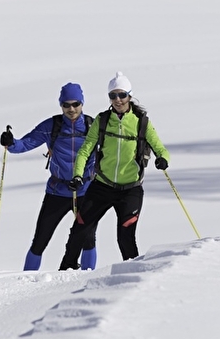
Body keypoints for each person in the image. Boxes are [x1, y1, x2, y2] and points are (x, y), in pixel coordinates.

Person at [64, 72, 171, 264]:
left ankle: (133, 278)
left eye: (122, 95)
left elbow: (159, 147)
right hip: (102, 186)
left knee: (125, 237)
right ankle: (64, 272)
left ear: (130, 95)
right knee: (79, 230)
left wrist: (162, 158)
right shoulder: (103, 120)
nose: (118, 100)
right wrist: (78, 175)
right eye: (113, 96)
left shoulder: (141, 122)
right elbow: (85, 150)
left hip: (130, 189)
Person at [1, 82, 99, 271]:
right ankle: (24, 284)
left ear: (82, 103)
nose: (71, 109)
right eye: (66, 105)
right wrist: (11, 143)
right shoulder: (51, 126)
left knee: (88, 239)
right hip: (57, 191)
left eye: (76, 104)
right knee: (40, 241)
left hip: (86, 190)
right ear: (61, 105)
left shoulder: (92, 126)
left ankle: (89, 282)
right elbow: (25, 144)